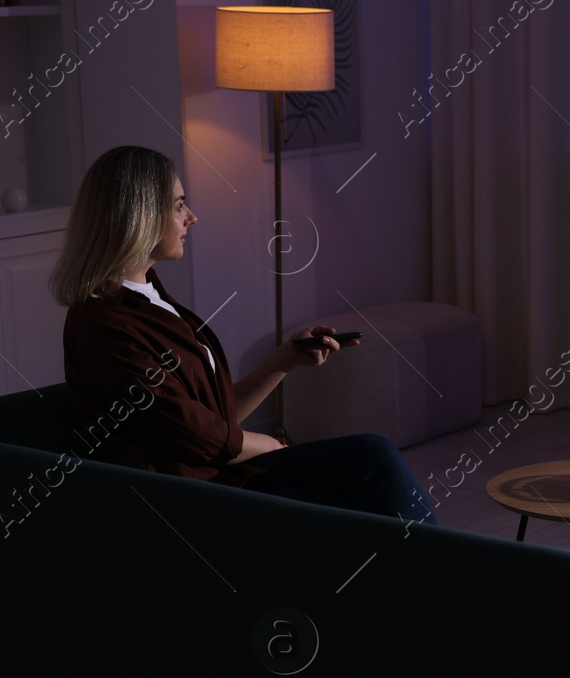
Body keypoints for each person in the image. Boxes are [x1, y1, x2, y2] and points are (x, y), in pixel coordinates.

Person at [50, 145, 435, 527]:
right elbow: (194, 435)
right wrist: (267, 443)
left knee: (369, 466)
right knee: (368, 464)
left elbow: (212, 417)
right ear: (140, 215)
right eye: (179, 205)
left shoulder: (151, 294)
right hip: (182, 493)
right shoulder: (101, 322)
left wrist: (284, 360)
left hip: (216, 471)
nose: (193, 217)